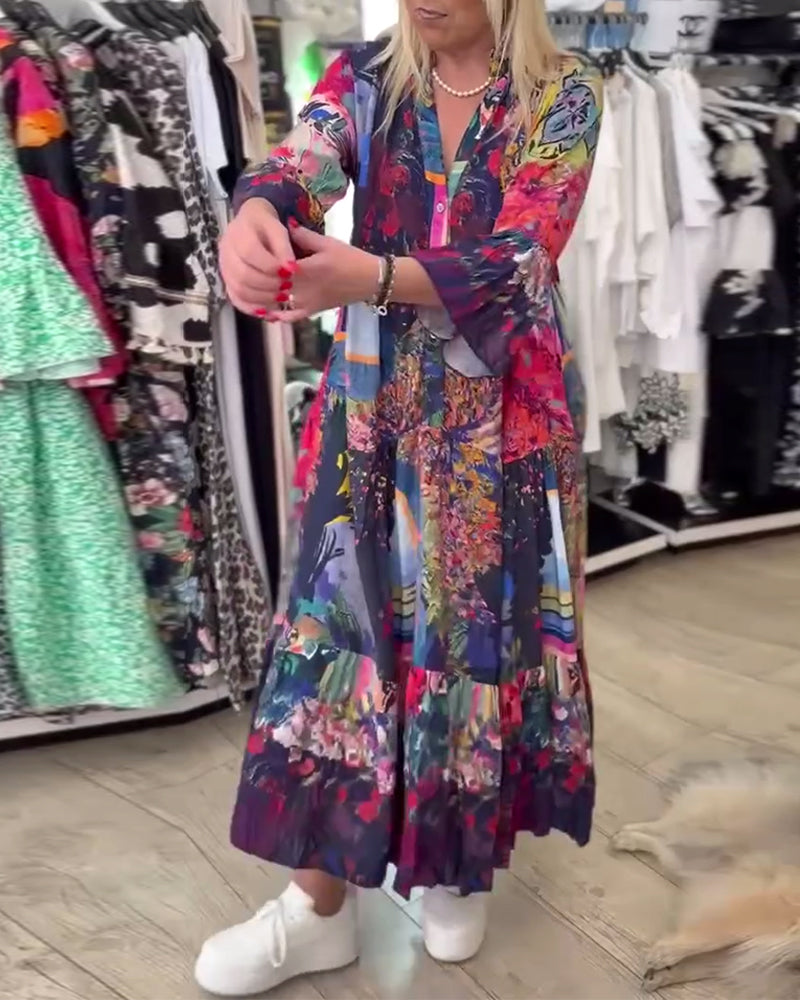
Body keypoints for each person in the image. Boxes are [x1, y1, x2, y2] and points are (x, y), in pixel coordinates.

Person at [196, 1, 602, 995]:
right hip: (371, 411)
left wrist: (367, 276)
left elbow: (522, 258)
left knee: (475, 632)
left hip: (501, 423)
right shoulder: (364, 79)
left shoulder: (566, 92)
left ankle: (452, 859)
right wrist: (255, 213)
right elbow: (299, 162)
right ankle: (317, 905)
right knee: (339, 629)